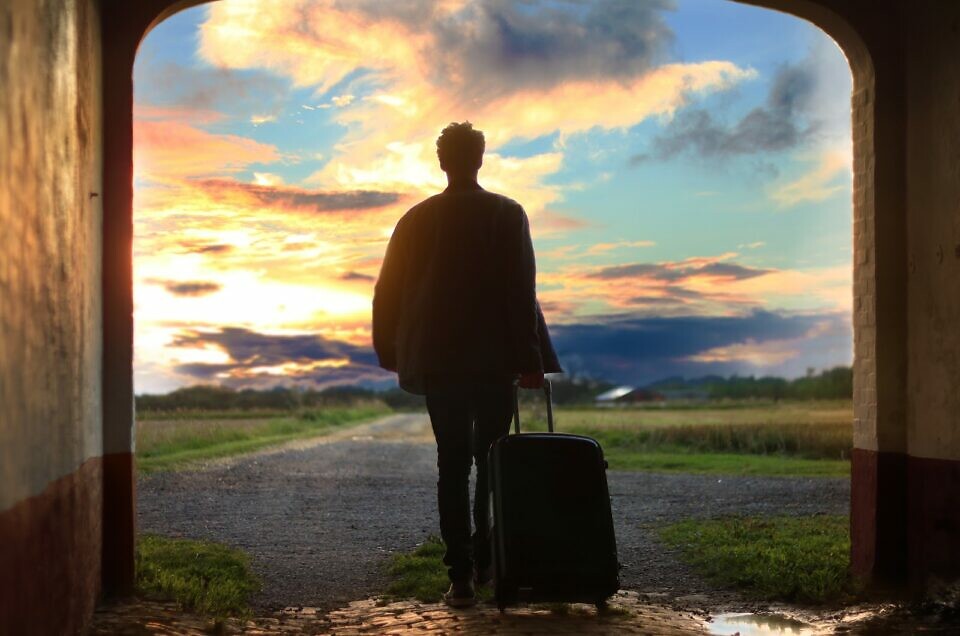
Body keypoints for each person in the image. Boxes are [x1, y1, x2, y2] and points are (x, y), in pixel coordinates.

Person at [372, 122, 562, 607]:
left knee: (451, 464)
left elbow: (387, 291)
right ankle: (486, 562)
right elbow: (523, 293)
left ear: (442, 162)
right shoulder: (507, 213)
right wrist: (530, 361)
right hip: (495, 360)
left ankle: (460, 579)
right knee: (493, 461)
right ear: (480, 159)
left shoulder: (415, 219)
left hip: (439, 361)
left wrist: (392, 352)